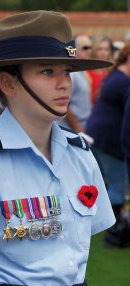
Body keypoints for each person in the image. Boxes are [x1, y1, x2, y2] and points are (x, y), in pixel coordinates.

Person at [0, 11, 115, 286]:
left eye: (67, 71)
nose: (64, 83)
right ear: (8, 83)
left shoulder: (80, 155)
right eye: (47, 71)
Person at [86, 45, 130, 247]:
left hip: (100, 136)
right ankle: (113, 233)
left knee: (107, 185)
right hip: (111, 140)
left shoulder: (116, 76)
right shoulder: (123, 81)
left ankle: (106, 227)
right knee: (118, 186)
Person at [58, 35, 93, 138]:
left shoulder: (82, 72)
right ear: (74, 50)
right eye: (85, 48)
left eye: (90, 47)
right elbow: (64, 102)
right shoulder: (72, 74)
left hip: (83, 125)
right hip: (72, 129)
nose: (89, 51)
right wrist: (78, 128)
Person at [87, 36, 113, 105]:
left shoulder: (111, 73)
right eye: (100, 49)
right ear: (94, 50)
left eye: (106, 49)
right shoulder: (87, 73)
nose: (103, 52)